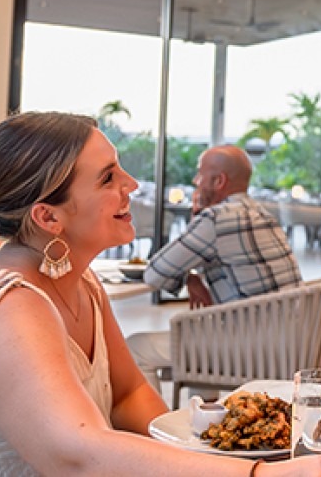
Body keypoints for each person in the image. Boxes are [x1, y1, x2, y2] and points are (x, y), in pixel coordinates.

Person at [0, 112, 321, 477]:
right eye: (109, 177)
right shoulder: (8, 306)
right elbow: (76, 455)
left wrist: (212, 452)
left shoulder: (81, 282)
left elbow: (130, 396)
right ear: (48, 217)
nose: (132, 184)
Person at [127, 145, 302, 389]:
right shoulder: (263, 213)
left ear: (219, 181)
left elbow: (155, 273)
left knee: (137, 348)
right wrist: (192, 277)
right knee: (204, 329)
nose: (194, 181)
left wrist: (195, 224)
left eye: (200, 174)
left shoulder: (215, 219)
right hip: (291, 343)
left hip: (249, 350)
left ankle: (150, 426)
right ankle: (205, 416)